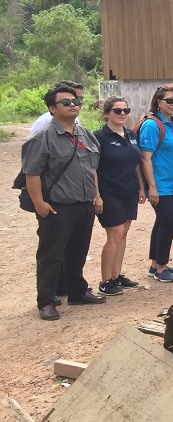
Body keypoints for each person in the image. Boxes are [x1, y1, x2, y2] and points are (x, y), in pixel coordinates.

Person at [23, 85, 105, 320]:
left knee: (78, 251)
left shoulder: (86, 135)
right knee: (51, 255)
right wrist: (39, 204)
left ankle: (77, 292)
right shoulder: (43, 138)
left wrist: (96, 195)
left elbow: (93, 169)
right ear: (52, 109)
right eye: (66, 102)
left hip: (84, 204)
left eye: (75, 101)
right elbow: (32, 173)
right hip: (57, 206)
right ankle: (46, 301)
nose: (73, 105)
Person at [93, 97, 144, 296]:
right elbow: (92, 168)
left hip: (129, 190)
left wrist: (141, 188)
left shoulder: (130, 134)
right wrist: (96, 194)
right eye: (117, 111)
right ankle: (105, 281)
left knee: (123, 234)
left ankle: (117, 275)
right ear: (107, 113)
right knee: (114, 235)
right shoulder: (99, 136)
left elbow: (136, 163)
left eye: (125, 110)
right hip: (109, 192)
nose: (122, 114)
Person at [139, 84, 173, 283]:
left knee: (162, 222)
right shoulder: (152, 125)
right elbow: (145, 158)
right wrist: (152, 187)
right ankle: (161, 267)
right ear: (159, 102)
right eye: (169, 100)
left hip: (172, 182)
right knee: (169, 220)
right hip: (159, 184)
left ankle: (155, 263)